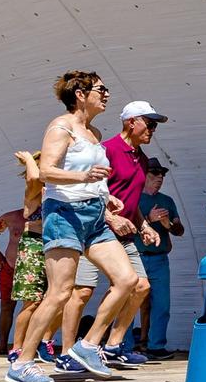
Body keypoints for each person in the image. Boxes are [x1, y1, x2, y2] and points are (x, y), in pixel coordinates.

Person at [14, 72, 137, 382]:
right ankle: (22, 362)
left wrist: (107, 197)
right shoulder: (61, 127)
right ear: (80, 93)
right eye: (101, 89)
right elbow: (46, 171)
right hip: (64, 214)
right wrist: (85, 179)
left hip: (95, 217)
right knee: (59, 294)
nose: (107, 94)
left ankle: (85, 347)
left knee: (128, 280)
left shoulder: (93, 131)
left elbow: (92, 174)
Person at [71, 100, 166, 368]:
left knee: (141, 286)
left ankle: (112, 345)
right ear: (130, 122)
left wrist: (145, 226)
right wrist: (111, 217)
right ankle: (78, 347)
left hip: (124, 232)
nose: (152, 130)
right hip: (98, 229)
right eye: (149, 124)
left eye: (154, 126)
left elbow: (131, 201)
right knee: (82, 292)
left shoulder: (142, 158)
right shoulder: (107, 150)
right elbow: (91, 191)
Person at [0, 151, 49, 365]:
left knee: (56, 297)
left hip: (55, 243)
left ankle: (42, 342)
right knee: (31, 300)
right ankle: (17, 347)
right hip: (35, 243)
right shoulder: (36, 187)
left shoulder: (59, 187)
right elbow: (34, 178)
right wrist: (28, 161)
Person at [135, 159, 184, 358]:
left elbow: (179, 230)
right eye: (154, 175)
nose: (159, 179)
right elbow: (125, 226)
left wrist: (167, 224)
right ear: (143, 176)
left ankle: (156, 345)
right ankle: (123, 344)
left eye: (162, 175)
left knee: (162, 303)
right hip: (136, 256)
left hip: (159, 258)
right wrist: (148, 220)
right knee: (128, 300)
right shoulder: (134, 199)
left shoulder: (167, 201)